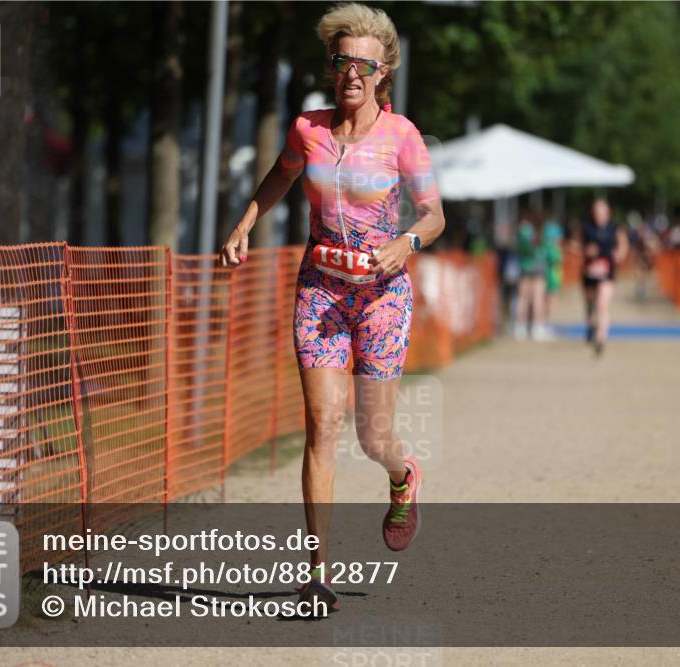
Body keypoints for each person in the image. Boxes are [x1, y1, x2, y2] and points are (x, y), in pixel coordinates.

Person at [220, 3, 445, 615]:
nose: (351, 74)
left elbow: (434, 214)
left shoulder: (403, 137)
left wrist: (408, 242)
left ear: (383, 73)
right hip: (320, 290)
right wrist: (244, 224)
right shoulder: (307, 130)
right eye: (342, 61)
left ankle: (402, 476)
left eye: (363, 65)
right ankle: (315, 574)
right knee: (322, 426)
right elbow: (279, 177)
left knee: (373, 437)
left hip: (381, 294)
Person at [578, 198, 628, 356]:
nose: (600, 215)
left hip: (607, 272)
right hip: (590, 272)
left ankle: (601, 338)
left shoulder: (614, 228)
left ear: (608, 213)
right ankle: (591, 325)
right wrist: (587, 250)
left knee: (602, 305)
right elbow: (577, 245)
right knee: (590, 304)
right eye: (597, 212)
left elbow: (623, 244)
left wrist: (619, 254)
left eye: (602, 212)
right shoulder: (586, 227)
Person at [514, 212, 548, 340]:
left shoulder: (524, 231)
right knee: (536, 299)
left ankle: (521, 326)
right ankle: (536, 326)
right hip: (536, 268)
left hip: (526, 267)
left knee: (524, 299)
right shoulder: (537, 232)